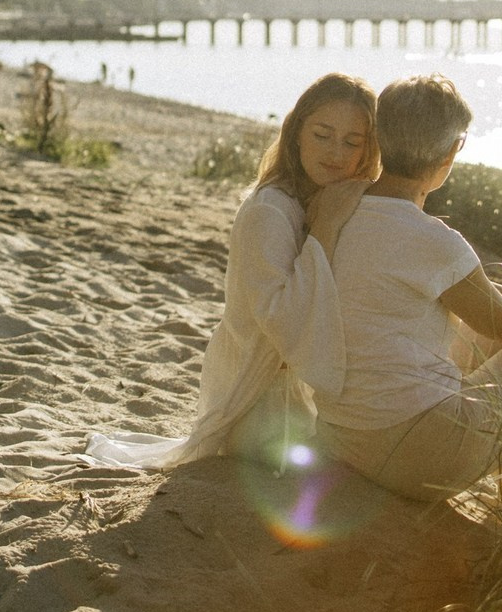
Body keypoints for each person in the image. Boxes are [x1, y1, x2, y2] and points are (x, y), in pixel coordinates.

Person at [82, 72, 379, 471]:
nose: (336, 153)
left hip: (299, 390)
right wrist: (326, 230)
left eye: (352, 142)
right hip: (258, 399)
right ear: (296, 134)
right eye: (322, 135)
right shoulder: (269, 210)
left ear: (368, 150)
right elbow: (280, 323)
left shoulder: (333, 201)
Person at [311, 74, 502, 502]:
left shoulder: (339, 209)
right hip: (415, 456)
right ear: (451, 152)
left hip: (341, 438)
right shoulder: (434, 241)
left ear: (378, 137)